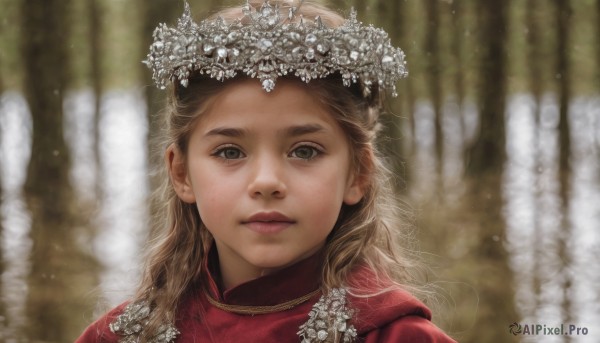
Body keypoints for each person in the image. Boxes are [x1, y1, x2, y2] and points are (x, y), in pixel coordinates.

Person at [77, 1, 456, 342]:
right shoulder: (121, 337)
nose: (267, 182)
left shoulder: (401, 338)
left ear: (357, 172)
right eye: (230, 151)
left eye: (305, 151)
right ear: (182, 173)